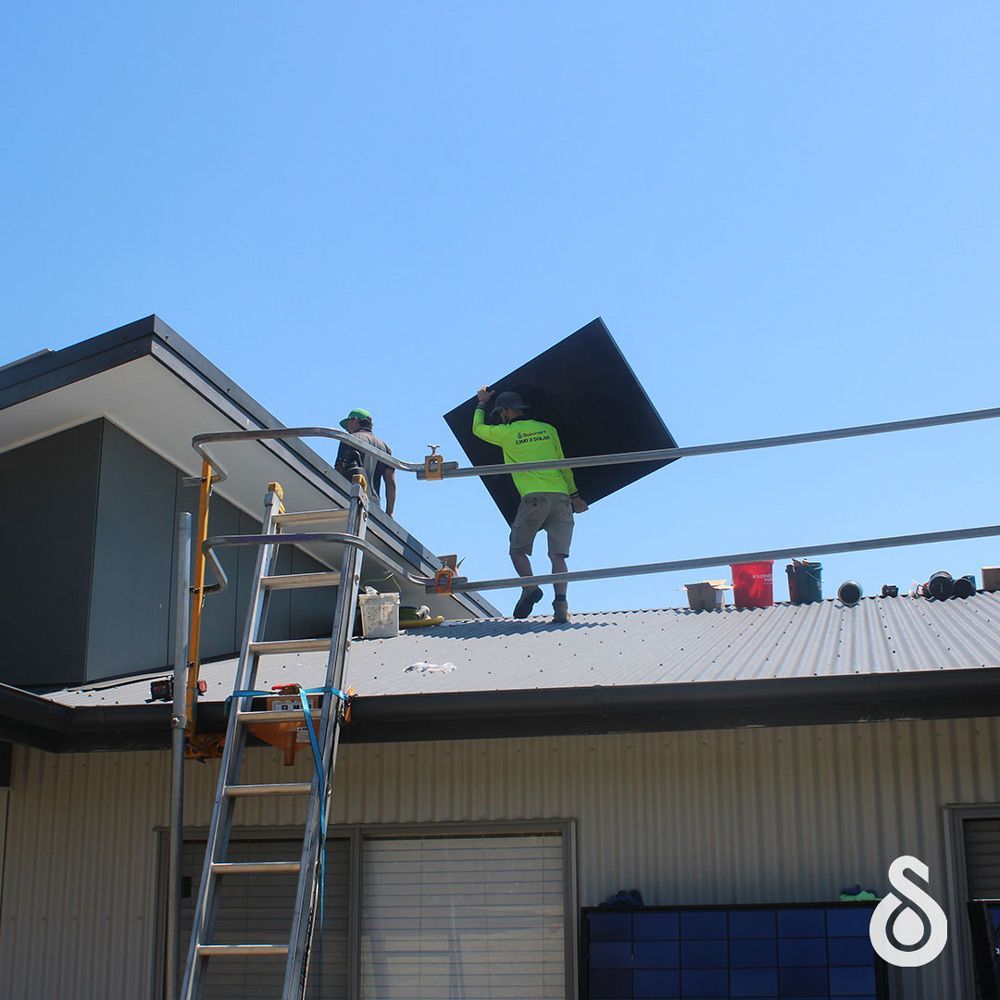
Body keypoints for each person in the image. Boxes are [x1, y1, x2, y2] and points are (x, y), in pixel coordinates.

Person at [473, 386, 588, 623]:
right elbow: (563, 464)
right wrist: (575, 496)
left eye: (500, 413)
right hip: (561, 497)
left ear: (506, 411)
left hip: (534, 498)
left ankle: (530, 587)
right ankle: (561, 606)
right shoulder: (548, 429)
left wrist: (482, 403)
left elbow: (477, 429)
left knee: (517, 549)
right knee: (558, 556)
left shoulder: (505, 433)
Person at [334, 408, 397, 517]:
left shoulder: (350, 439)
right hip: (373, 508)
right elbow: (390, 482)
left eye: (348, 424)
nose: (347, 430)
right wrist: (389, 512)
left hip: (350, 498)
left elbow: (339, 470)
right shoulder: (385, 448)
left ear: (355, 421)